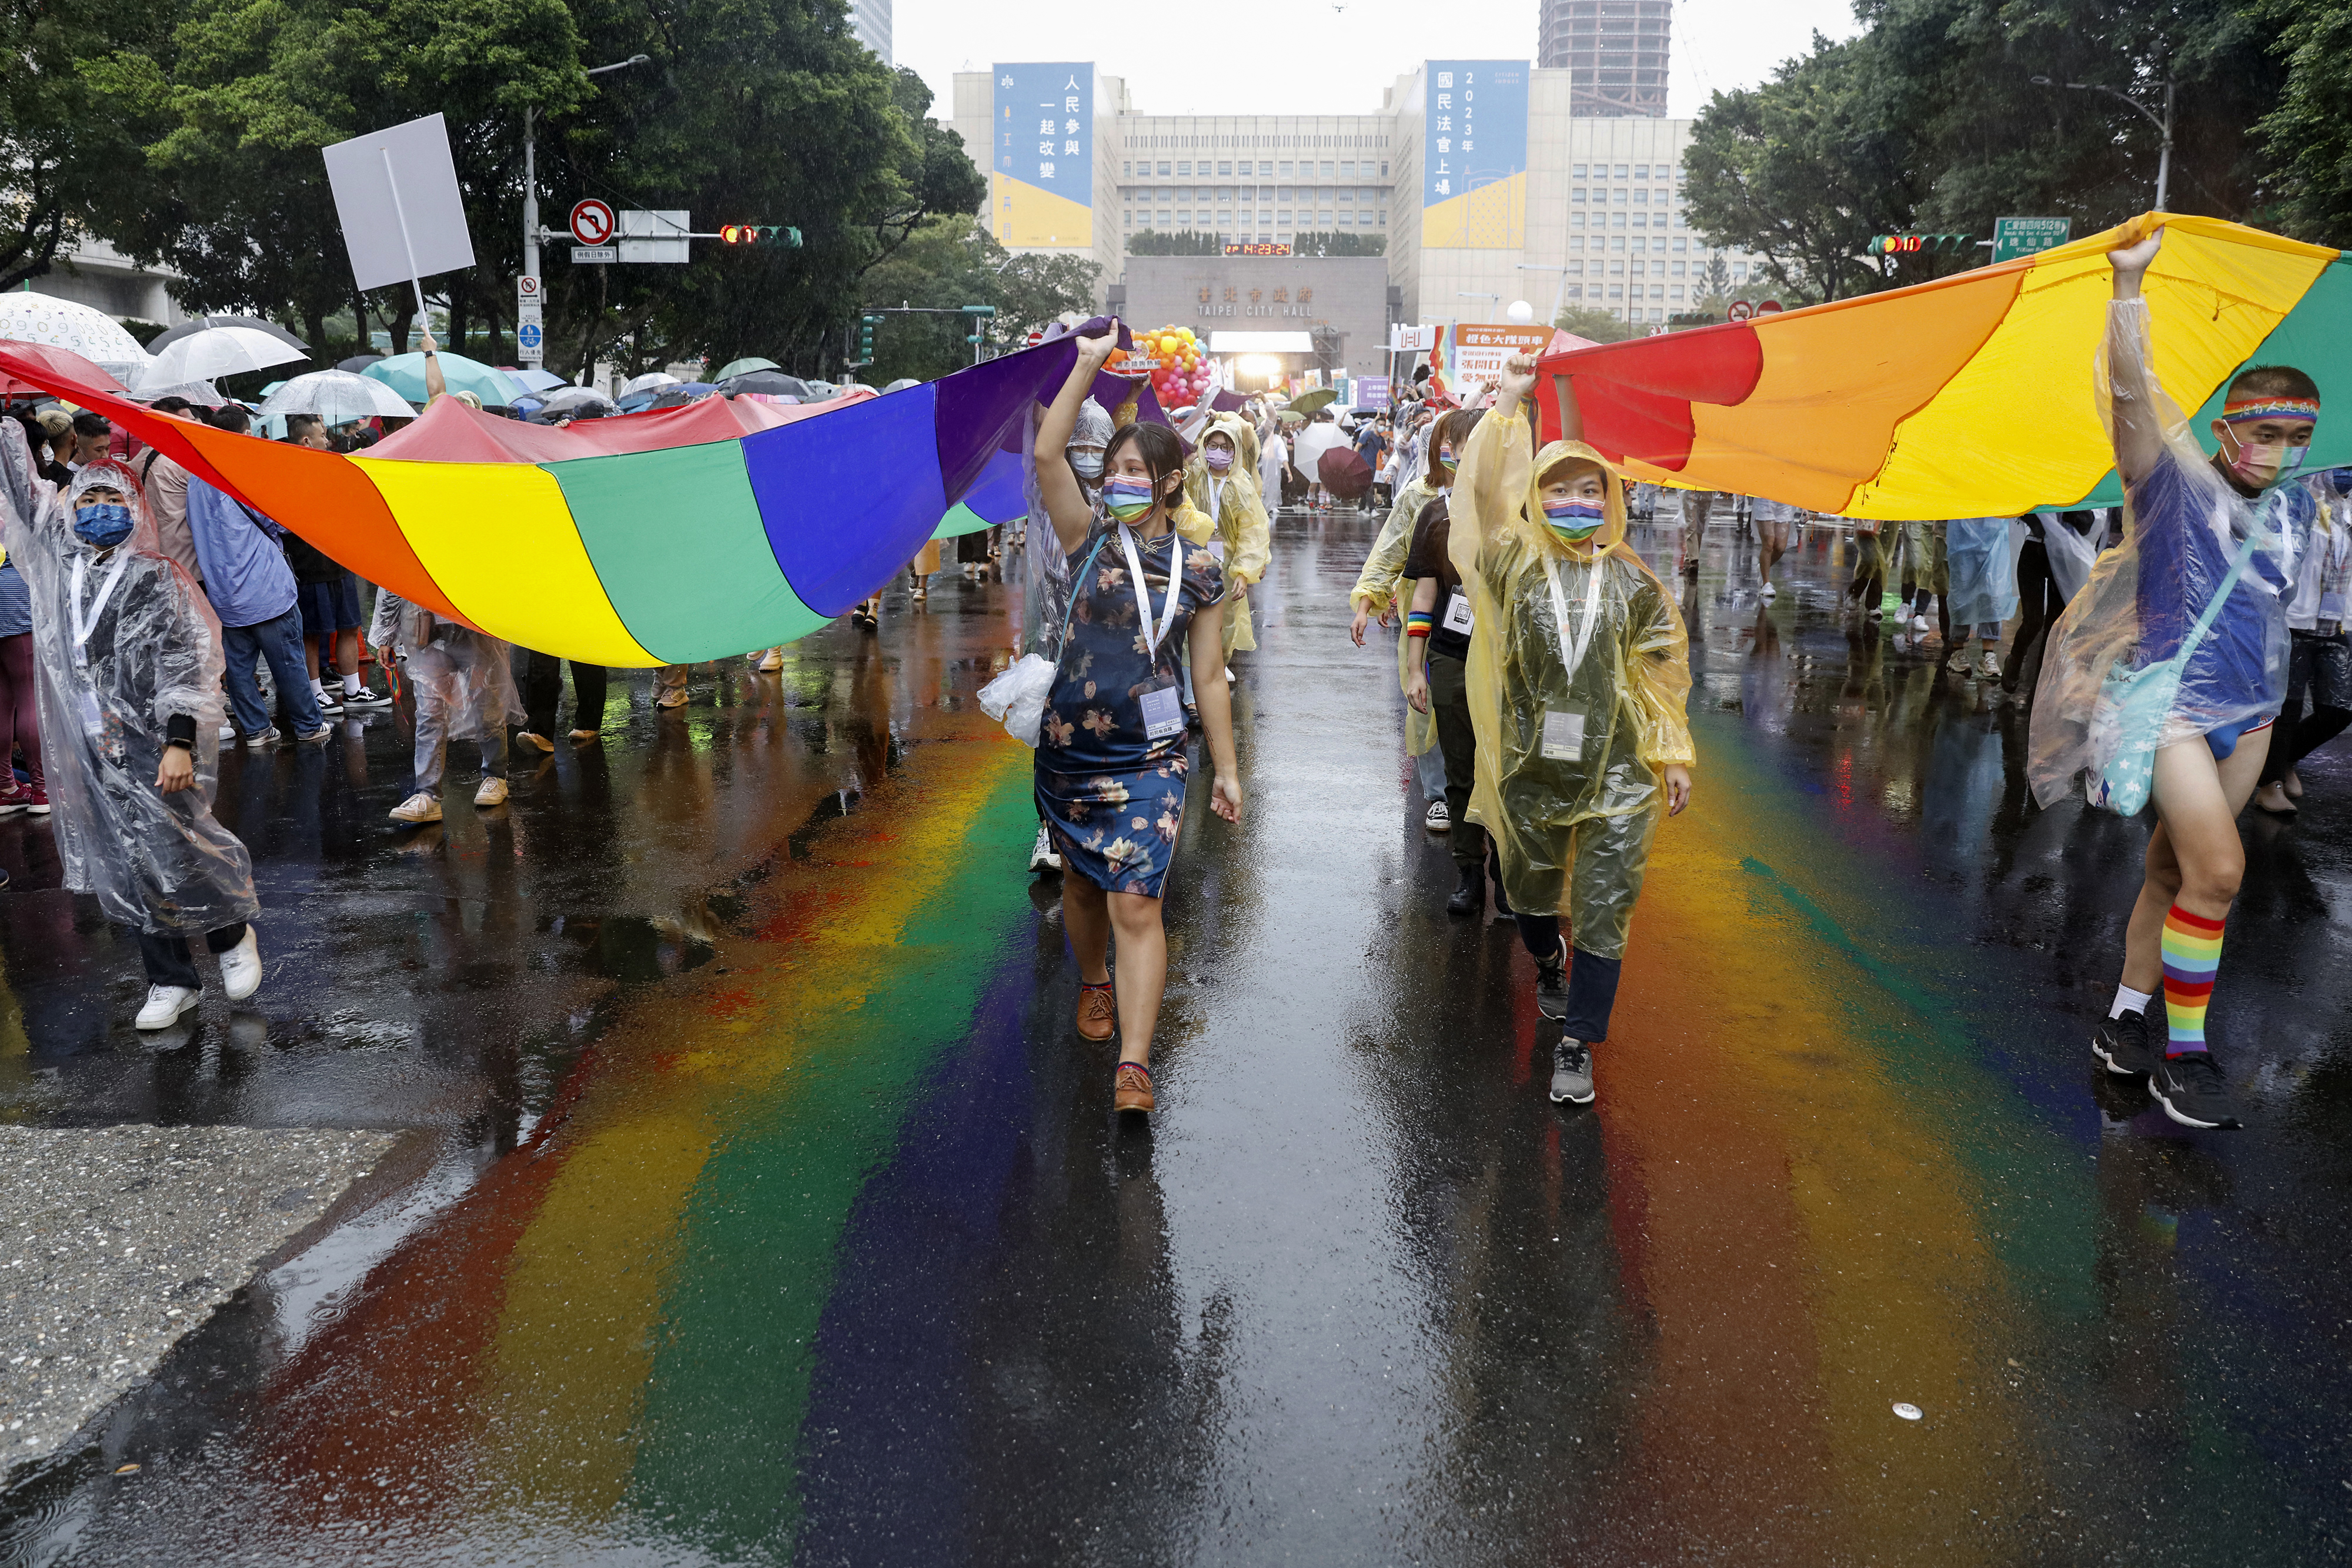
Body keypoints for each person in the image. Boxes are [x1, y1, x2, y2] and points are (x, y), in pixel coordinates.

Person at [2032, 222, 2316, 1131]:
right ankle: (2183, 1057)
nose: (2277, 449)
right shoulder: (2172, 483)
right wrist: (2127, 294)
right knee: (2222, 870)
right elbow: (2128, 397)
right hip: (2172, 709)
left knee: (2172, 868)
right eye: (2263, 430)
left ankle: (2122, 1024)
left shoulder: (2296, 508)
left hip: (2254, 714)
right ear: (2230, 425)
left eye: (2296, 435)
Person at [1451, 353, 1695, 1106]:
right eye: (1558, 491)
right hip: (1531, 765)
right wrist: (1506, 411)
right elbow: (1485, 503)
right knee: (1527, 893)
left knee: (1604, 904)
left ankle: (1577, 1041)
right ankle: (1543, 956)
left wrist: (1672, 752)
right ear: (1538, 499)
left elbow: (1660, 667)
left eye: (1590, 490)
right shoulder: (1511, 564)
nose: (1576, 502)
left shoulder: (1630, 579)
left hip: (1617, 773)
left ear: (1610, 498)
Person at [1033, 325, 1242, 1116]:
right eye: (1112, 468)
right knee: (1085, 889)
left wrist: (1225, 766)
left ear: (1170, 480)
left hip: (1154, 755)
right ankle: (1094, 981)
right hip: (1070, 750)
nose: (1117, 479)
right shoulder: (1086, 538)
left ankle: (1135, 1061)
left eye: (1133, 470)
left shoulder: (1204, 570)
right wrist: (1086, 366)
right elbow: (1050, 457)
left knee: (1137, 900)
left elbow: (1208, 677)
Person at [2, 444, 263, 1028]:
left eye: (111, 498)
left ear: (135, 508)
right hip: (93, 742)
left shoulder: (155, 578)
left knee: (177, 845)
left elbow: (185, 663)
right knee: (128, 859)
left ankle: (229, 934)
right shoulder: (59, 569)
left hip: (155, 739)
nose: (98, 509)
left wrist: (178, 742)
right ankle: (171, 980)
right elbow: (21, 498)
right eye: (87, 498)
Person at [1401, 408, 1491, 910]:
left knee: (1505, 767)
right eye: (1458, 443)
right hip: (1452, 656)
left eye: (1478, 442)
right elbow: (1424, 597)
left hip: (1505, 661)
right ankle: (1469, 872)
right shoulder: (1434, 514)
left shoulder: (1520, 513)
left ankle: (1506, 863)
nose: (1466, 452)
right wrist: (1417, 666)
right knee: (1460, 768)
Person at [1349, 416, 1452, 825]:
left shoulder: (1489, 494)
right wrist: (1367, 601)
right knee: (1422, 695)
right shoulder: (1417, 496)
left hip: (1476, 616)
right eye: (1448, 443)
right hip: (1424, 614)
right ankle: (1439, 793)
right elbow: (1389, 549)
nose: (1456, 453)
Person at [183, 457, 328, 748]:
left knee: (238, 669)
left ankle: (256, 730)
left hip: (223, 590)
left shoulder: (195, 482)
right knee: (288, 662)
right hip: (265, 586)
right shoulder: (244, 474)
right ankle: (308, 724)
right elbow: (281, 521)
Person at [370, 583, 523, 824]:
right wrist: (386, 634)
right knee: (430, 713)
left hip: (474, 622)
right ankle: (427, 794)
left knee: (486, 705)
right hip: (424, 627)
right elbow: (394, 576)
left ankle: (496, 777)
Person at [2251, 466, 2352, 816]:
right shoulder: (2296, 503)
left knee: (2339, 710)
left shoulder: (2347, 511)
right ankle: (2270, 785)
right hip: (2294, 621)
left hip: (2336, 626)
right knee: (2287, 708)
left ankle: (2284, 761)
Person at [279, 417, 389, 716]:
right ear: (306, 441)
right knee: (313, 633)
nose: (327, 441)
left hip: (339, 562)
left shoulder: (330, 468)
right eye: (322, 435)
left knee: (349, 627)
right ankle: (314, 692)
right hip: (309, 567)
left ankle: (353, 689)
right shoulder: (286, 472)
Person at [1182, 412, 1272, 663]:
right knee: (1191, 611)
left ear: (1234, 451)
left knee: (1225, 615)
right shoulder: (1193, 475)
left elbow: (1253, 530)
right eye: (1213, 446)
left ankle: (1217, 664)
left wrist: (1245, 571)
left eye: (1225, 447)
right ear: (1204, 445)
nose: (1218, 452)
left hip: (1228, 561)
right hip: (1193, 557)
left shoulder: (1241, 485)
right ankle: (1192, 672)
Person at [0, 480, 43, 815]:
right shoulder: (11, 490)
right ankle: (43, 791)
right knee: (28, 695)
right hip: (14, 594)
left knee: (3, 699)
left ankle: (5, 786)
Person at [1941, 516, 2019, 680]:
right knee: (1962, 590)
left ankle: (1988, 653)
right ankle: (1957, 650)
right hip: (1962, 529)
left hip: (1996, 529)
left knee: (1992, 594)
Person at [1292, 408, 1348, 511]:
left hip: (1323, 459)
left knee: (1323, 483)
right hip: (1311, 460)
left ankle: (1321, 505)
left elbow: (1335, 429)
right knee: (1314, 483)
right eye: (1304, 421)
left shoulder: (1317, 430)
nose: (1306, 423)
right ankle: (1310, 499)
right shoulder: (1301, 432)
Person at [1752, 496, 1802, 600]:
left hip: (1785, 501)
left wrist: (1804, 507)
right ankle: (1766, 583)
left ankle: (1763, 567)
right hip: (1765, 500)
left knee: (1780, 548)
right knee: (1769, 544)